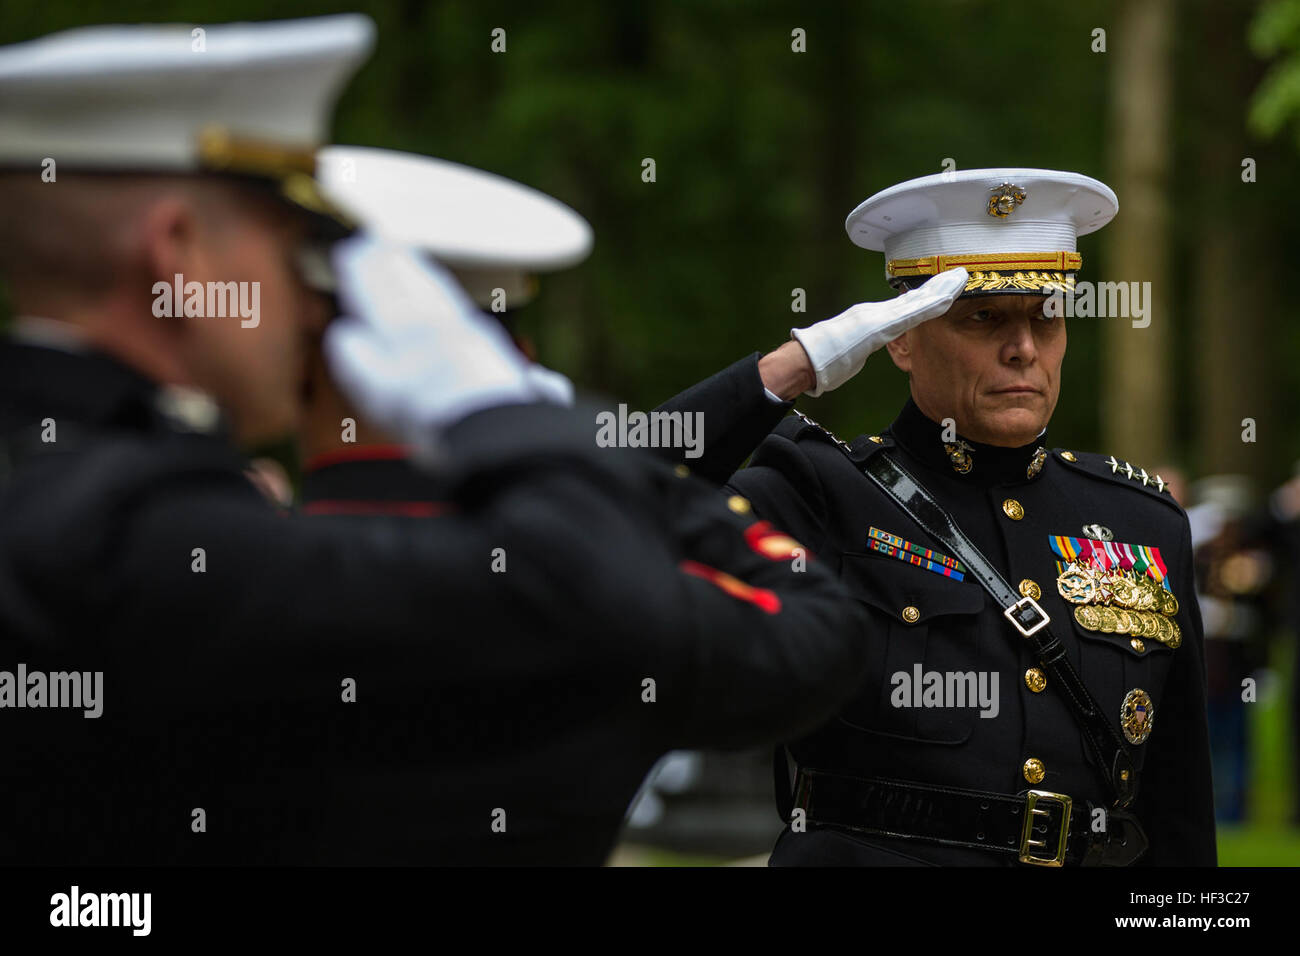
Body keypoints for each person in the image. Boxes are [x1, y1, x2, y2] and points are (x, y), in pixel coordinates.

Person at [0, 16, 872, 865]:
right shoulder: (156, 537)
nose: (307, 304)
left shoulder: (105, 489)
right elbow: (657, 610)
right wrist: (509, 418)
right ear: (179, 253)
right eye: (289, 247)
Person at [664, 168, 1218, 865]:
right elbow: (623, 500)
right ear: (900, 338)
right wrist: (798, 364)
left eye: (1045, 313)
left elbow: (1177, 811)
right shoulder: (822, 491)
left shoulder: (1140, 522)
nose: (1023, 347)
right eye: (983, 317)